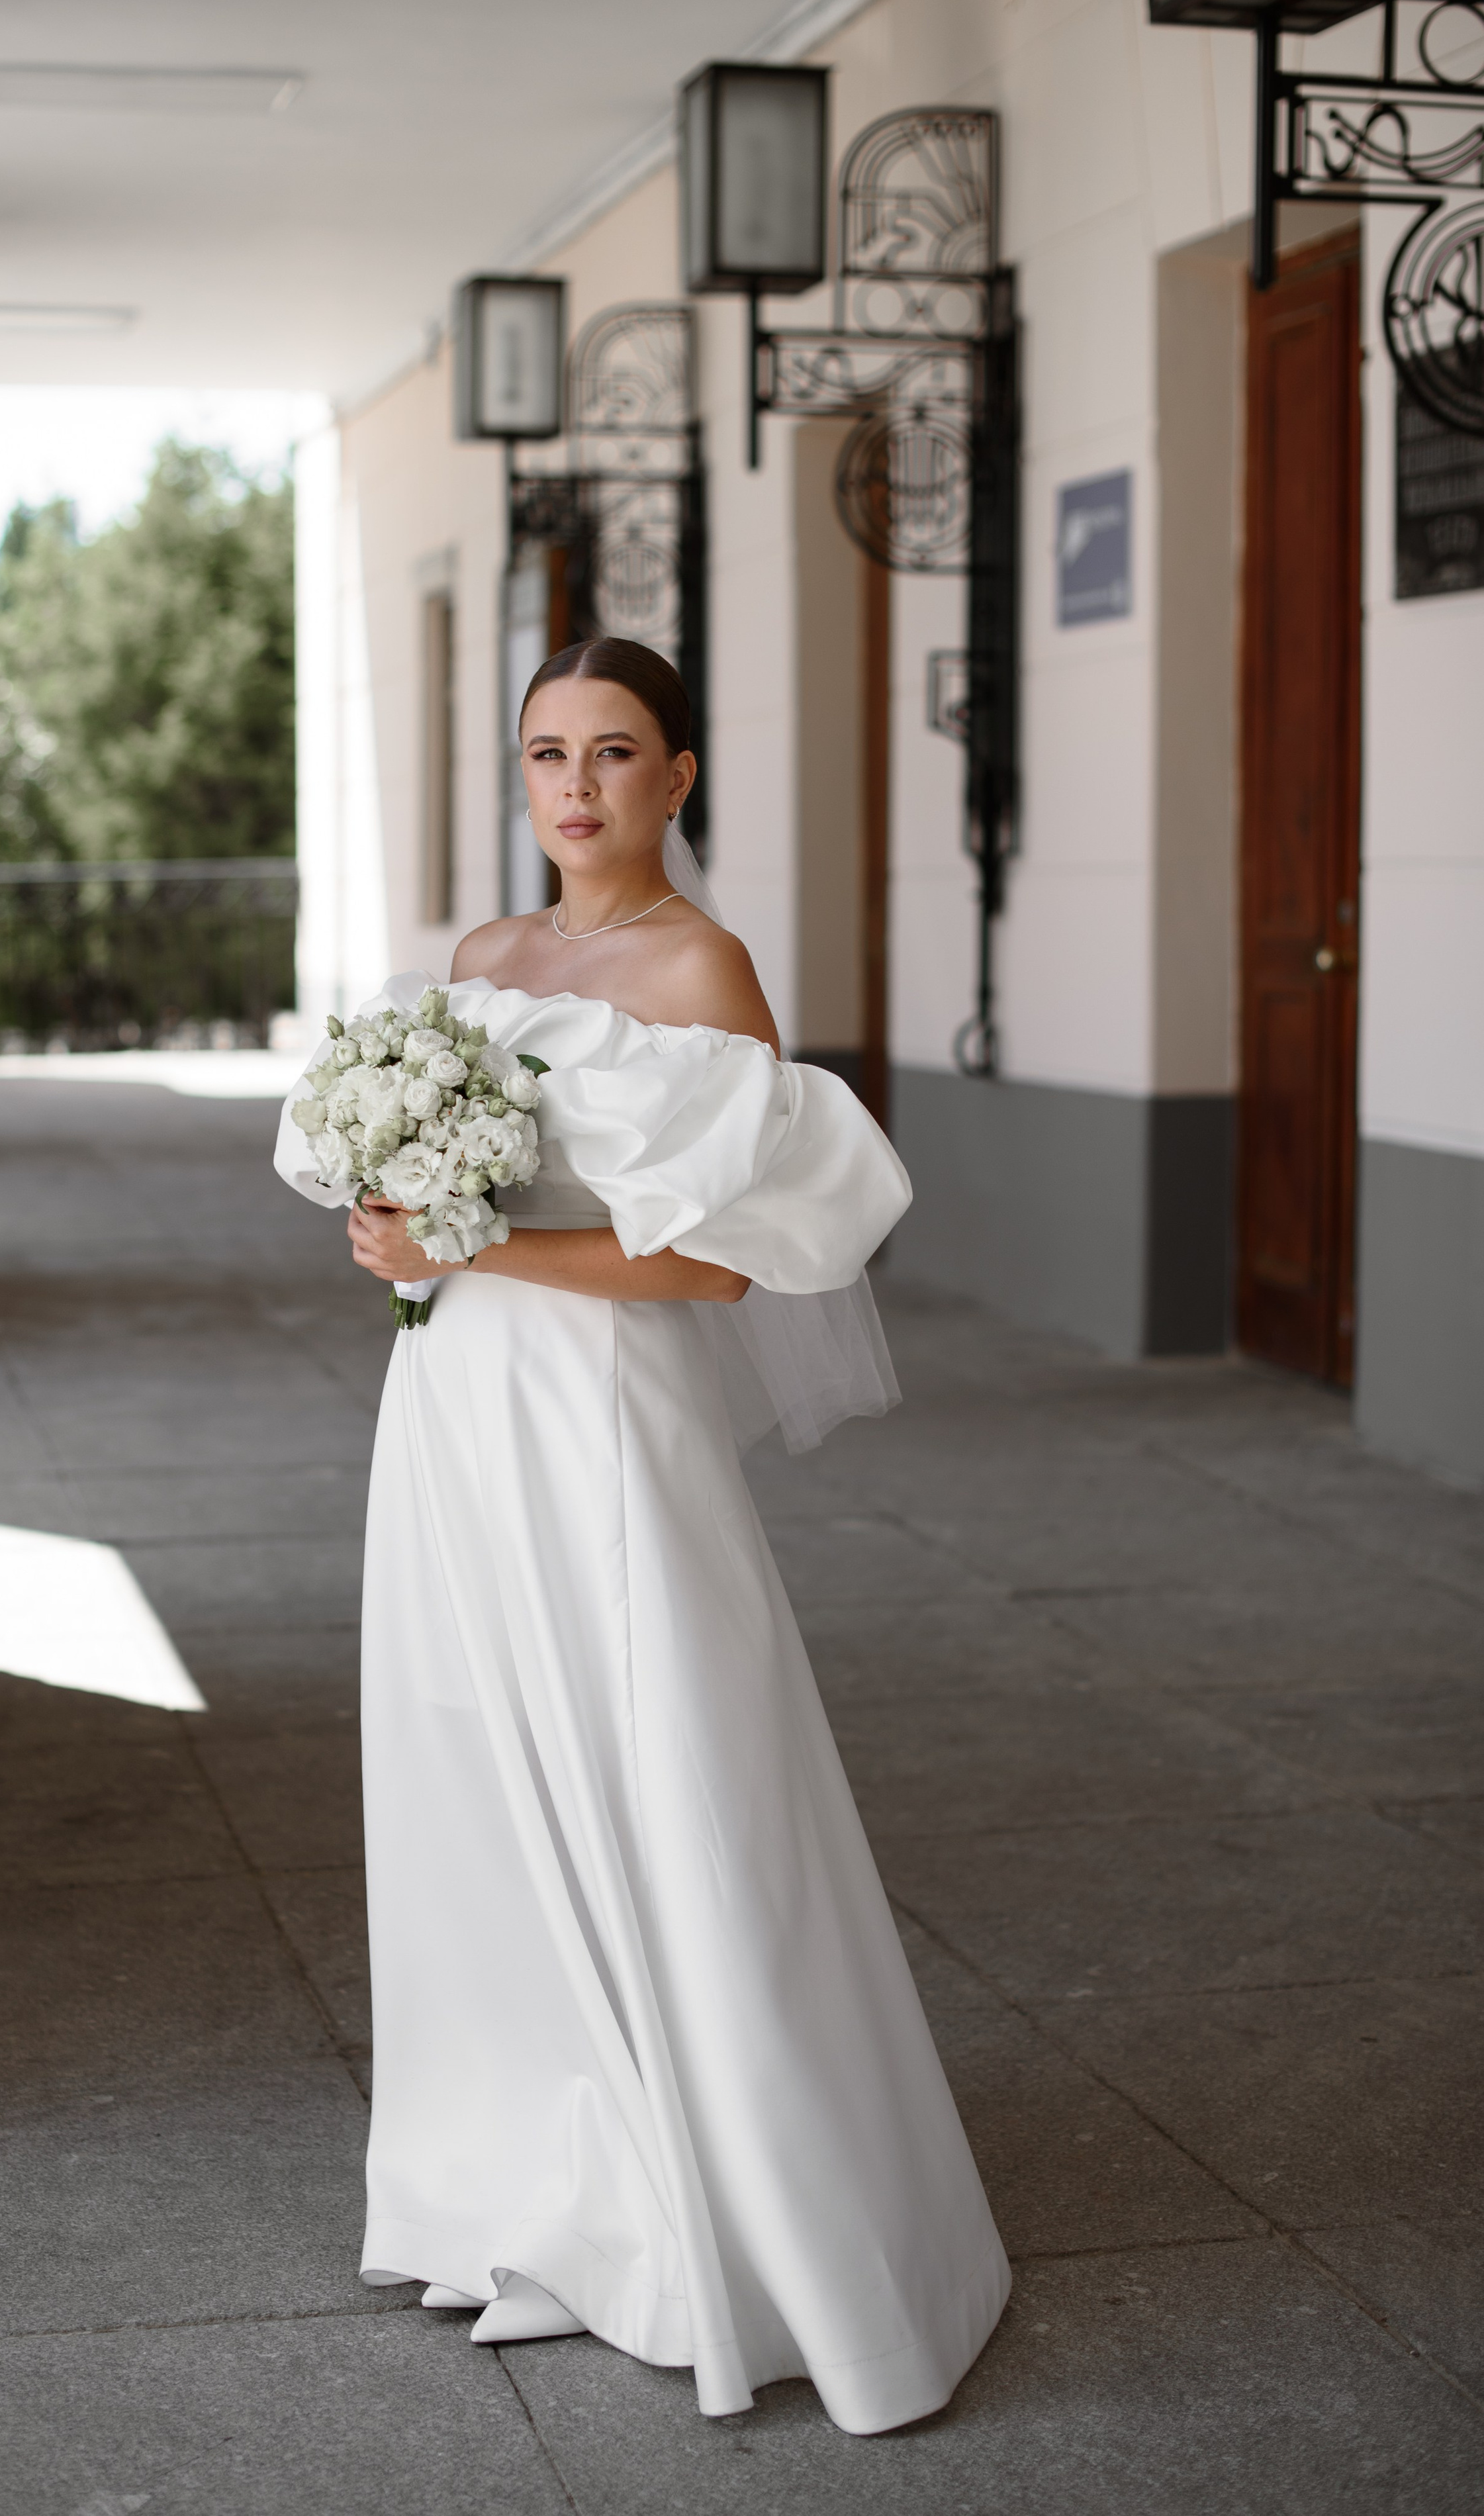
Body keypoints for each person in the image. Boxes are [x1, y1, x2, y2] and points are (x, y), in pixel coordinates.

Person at [274, 637, 1009, 2435]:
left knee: (667, 1770)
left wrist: (482, 1244)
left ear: (678, 776)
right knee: (477, 1772)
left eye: (615, 752)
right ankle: (532, 2195)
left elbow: (717, 1251)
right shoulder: (473, 965)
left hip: (605, 1416)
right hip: (452, 1408)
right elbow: (428, 1188)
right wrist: (394, 1223)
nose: (577, 786)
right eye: (547, 753)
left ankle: (741, 2225)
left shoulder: (703, 969)